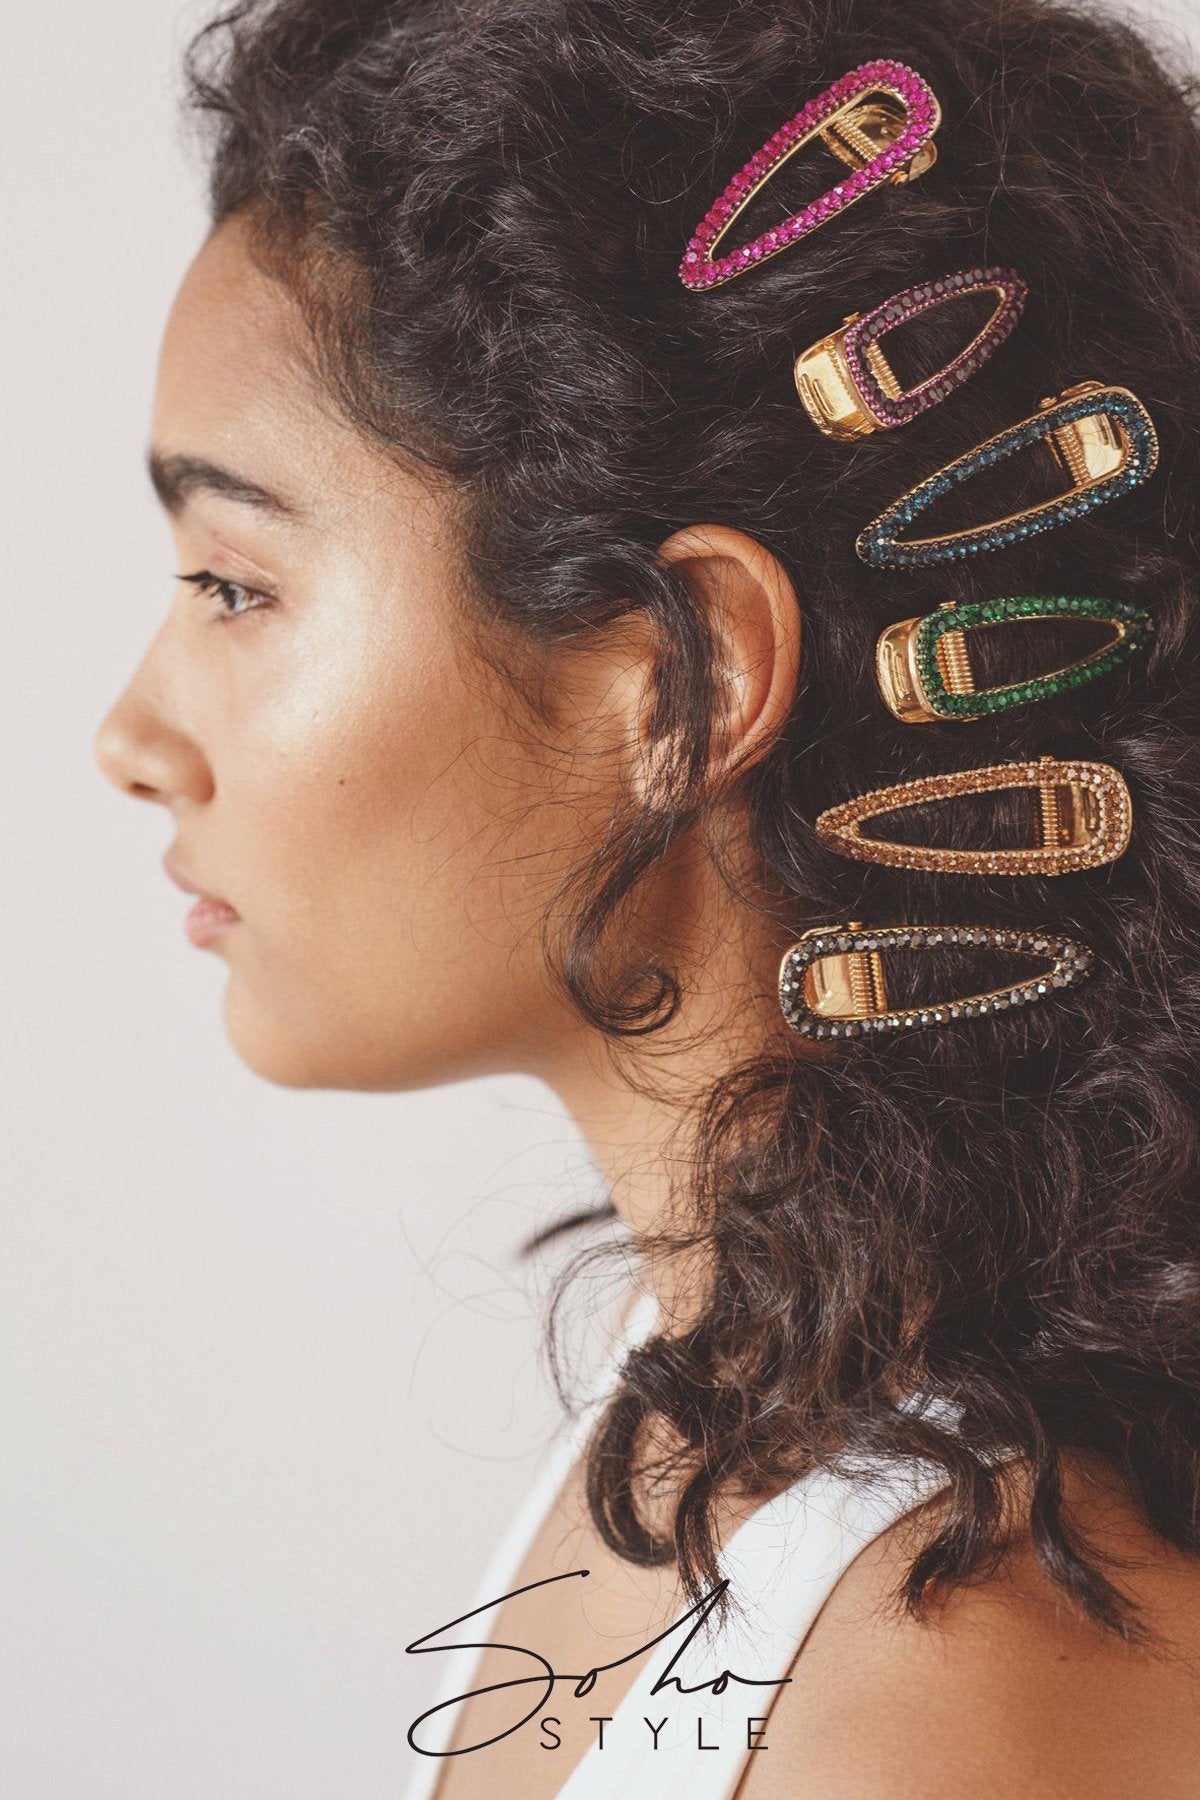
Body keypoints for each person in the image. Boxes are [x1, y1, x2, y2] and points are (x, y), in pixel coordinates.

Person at [94, 0, 1200, 1793]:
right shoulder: (713, 1388)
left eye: (235, 585)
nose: (130, 739)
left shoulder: (943, 1701)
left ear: (685, 682)